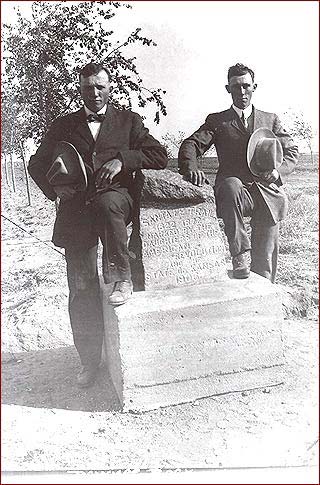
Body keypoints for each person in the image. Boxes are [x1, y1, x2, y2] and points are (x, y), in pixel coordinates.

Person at [28, 62, 167, 387]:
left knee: (108, 205)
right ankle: (89, 362)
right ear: (80, 89)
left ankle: (121, 277)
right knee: (81, 288)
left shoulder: (128, 121)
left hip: (115, 203)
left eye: (100, 87)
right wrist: (55, 189)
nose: (94, 93)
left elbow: (158, 155)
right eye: (88, 87)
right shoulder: (63, 125)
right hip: (76, 214)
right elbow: (37, 163)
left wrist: (123, 159)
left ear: (110, 88)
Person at [178, 63, 298, 282]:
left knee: (266, 257)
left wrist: (278, 171)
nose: (241, 92)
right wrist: (191, 167)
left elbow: (291, 150)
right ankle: (240, 254)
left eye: (246, 86)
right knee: (231, 184)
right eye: (236, 87)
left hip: (266, 191)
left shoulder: (270, 119)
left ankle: (263, 290)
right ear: (228, 89)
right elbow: (191, 144)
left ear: (254, 87)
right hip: (235, 193)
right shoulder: (218, 121)